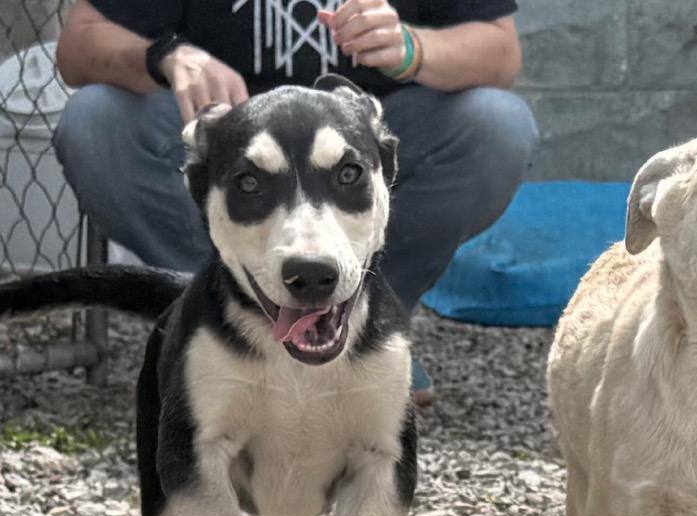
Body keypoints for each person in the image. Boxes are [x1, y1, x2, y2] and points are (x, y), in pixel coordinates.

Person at [53, 0, 539, 404]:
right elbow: (80, 46)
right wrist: (169, 56)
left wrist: (415, 49)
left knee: (497, 126)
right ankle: (221, 329)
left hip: (367, 141)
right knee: (96, 123)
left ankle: (367, 330)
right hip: (226, 140)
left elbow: (501, 52)